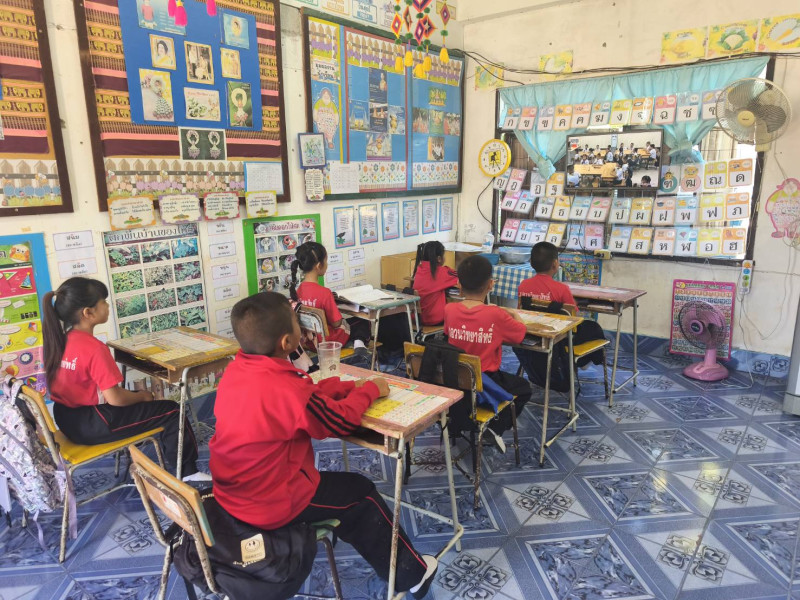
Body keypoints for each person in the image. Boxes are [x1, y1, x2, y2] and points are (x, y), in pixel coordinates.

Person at [209, 292, 437, 598]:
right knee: (360, 493)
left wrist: (348, 387)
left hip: (231, 492)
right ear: (287, 342)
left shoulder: (238, 371)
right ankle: (412, 576)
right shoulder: (287, 390)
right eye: (297, 324)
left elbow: (306, 393)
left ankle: (353, 532)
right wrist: (370, 391)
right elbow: (339, 422)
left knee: (342, 492)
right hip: (270, 501)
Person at [42, 277, 208, 482]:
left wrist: (137, 396)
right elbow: (116, 399)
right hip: (93, 424)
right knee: (173, 411)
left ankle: (145, 447)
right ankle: (188, 473)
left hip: (66, 419)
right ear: (88, 312)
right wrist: (143, 397)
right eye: (103, 302)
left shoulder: (59, 341)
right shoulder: (94, 348)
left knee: (141, 401)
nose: (107, 306)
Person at [443, 256, 532, 438]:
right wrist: (513, 313)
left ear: (459, 284)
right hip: (485, 382)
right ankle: (495, 428)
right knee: (524, 388)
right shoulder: (496, 314)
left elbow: (447, 334)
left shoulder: (449, 309)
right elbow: (520, 333)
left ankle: (457, 424)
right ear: (491, 284)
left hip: (455, 379)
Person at [516, 242, 606, 368]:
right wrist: (575, 303)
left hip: (533, 334)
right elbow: (573, 317)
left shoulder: (523, 285)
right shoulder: (562, 289)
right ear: (555, 264)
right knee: (594, 328)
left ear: (531, 263)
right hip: (560, 338)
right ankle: (586, 361)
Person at [290, 241, 371, 357]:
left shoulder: (298, 290)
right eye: (326, 261)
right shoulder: (324, 293)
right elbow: (336, 323)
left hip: (309, 341)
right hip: (328, 342)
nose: (327, 265)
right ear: (319, 265)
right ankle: (359, 345)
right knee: (362, 322)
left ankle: (357, 343)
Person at [411, 241, 459, 326]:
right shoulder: (441, 272)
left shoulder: (419, 269)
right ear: (439, 258)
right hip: (434, 319)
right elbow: (462, 275)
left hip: (417, 318)